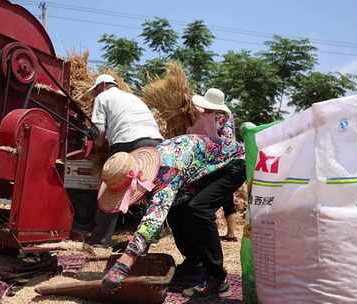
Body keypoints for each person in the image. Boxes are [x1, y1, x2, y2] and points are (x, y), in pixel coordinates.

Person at [97, 128, 244, 298]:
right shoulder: (148, 170)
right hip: (201, 168)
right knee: (176, 207)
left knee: (199, 209)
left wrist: (125, 262)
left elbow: (154, 218)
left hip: (232, 164)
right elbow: (156, 212)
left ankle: (217, 278)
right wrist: (141, 244)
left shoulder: (166, 170)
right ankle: (194, 263)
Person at [86, 74, 163, 247]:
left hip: (127, 141)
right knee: (151, 188)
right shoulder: (133, 97)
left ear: (103, 85)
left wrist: (97, 144)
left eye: (96, 89)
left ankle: (100, 239)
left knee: (115, 187)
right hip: (155, 142)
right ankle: (153, 234)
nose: (95, 94)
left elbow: (99, 132)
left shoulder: (102, 97)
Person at [181, 88, 245, 244]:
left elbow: (209, 138)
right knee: (223, 198)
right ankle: (229, 232)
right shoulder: (225, 116)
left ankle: (218, 236)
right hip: (228, 163)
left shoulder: (213, 116)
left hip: (225, 164)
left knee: (203, 205)